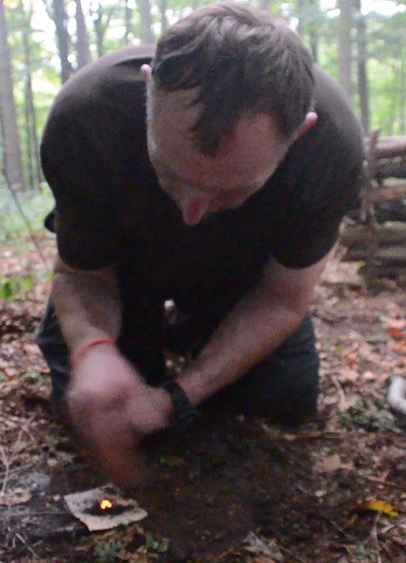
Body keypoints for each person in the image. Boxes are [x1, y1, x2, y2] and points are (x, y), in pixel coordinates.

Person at [36, 0, 365, 486]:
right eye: (169, 172)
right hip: (125, 271)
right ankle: (151, 331)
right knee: (98, 405)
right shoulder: (87, 117)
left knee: (283, 395)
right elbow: (81, 274)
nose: (191, 215)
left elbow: (281, 298)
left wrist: (177, 397)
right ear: (149, 91)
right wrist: (94, 350)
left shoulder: (331, 149)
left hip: (241, 279)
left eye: (232, 191)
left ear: (298, 136)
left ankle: (190, 329)